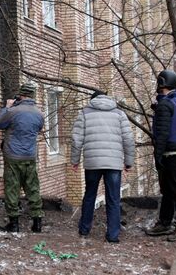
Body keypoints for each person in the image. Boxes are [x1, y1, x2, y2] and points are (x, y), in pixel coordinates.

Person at [70, 90, 135, 243]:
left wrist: (75, 160)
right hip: (113, 163)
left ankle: (84, 229)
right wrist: (128, 162)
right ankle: (113, 235)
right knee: (113, 198)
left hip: (93, 162)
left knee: (90, 195)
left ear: (93, 100)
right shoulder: (119, 114)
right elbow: (129, 139)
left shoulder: (85, 113)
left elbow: (76, 139)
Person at [145, 70, 176, 241]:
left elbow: (162, 134)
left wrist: (157, 156)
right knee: (172, 190)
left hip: (170, 152)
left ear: (161, 83)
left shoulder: (165, 105)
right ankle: (165, 222)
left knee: (173, 190)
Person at [0, 82, 45, 233]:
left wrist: (7, 107)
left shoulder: (13, 111)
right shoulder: (39, 113)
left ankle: (14, 223)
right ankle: (37, 222)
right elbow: (39, 128)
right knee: (32, 188)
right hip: (30, 155)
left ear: (21, 95)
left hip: (13, 155)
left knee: (12, 188)